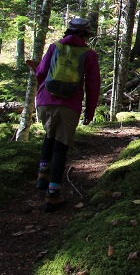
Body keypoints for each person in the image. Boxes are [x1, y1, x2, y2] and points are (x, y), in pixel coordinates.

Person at [26, 17, 100, 213]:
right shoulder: (89, 54)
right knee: (61, 147)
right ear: (86, 34)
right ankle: (53, 195)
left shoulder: (55, 47)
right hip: (70, 105)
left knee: (49, 135)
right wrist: (89, 111)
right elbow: (93, 85)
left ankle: (42, 175)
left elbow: (41, 72)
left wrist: (41, 93)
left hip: (45, 101)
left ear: (68, 30)